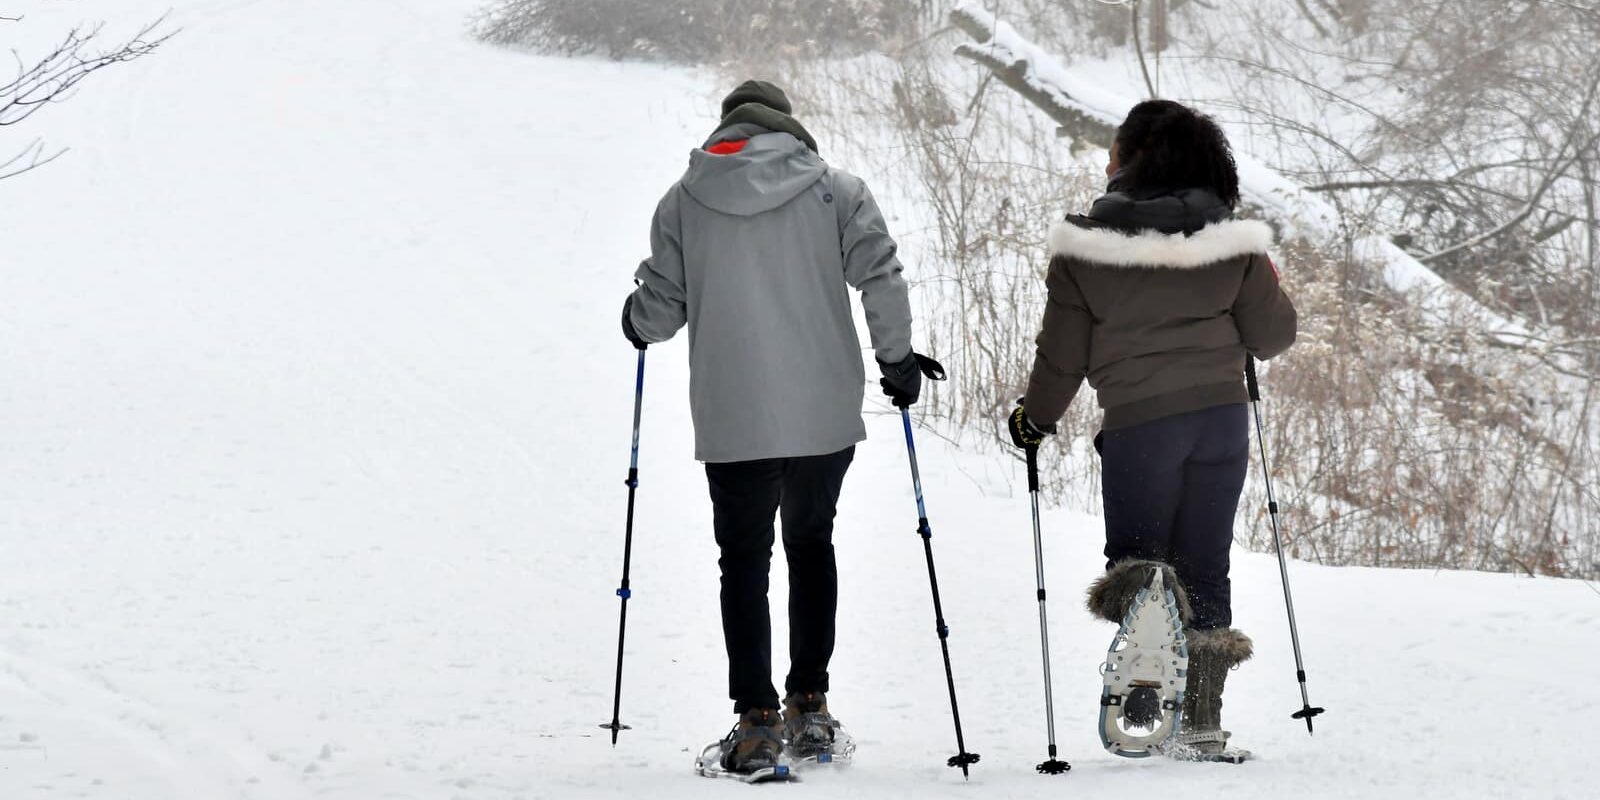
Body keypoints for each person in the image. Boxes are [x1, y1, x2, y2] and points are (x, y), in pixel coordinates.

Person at [621, 80, 931, 774]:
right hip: (823, 413)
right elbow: (881, 274)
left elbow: (661, 311)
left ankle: (756, 720)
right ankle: (810, 707)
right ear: (787, 127)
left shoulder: (684, 200)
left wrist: (633, 320)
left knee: (744, 564)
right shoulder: (836, 189)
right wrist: (897, 359)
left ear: (728, 128)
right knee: (812, 545)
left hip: (735, 417)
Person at [1005, 99, 1297, 762]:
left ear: (1133, 161)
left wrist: (1035, 419)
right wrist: (1261, 274)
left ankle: (1143, 696)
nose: (1105, 161)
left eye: (1114, 150)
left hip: (1142, 428)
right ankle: (1199, 723)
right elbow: (1272, 337)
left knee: (1141, 562)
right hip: (1220, 425)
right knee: (1205, 563)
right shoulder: (1235, 244)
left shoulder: (1085, 251)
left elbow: (1062, 355)